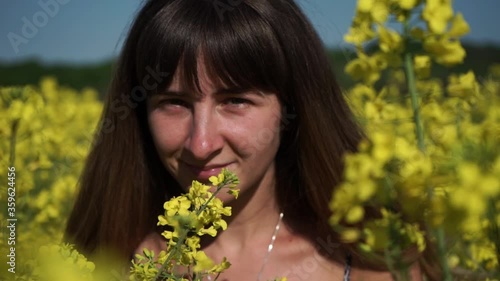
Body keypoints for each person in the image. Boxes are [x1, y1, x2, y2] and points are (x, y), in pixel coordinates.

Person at [65, 0, 439, 280]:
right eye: (174, 103)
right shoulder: (107, 264)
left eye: (235, 101)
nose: (201, 143)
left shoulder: (370, 262)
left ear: (291, 110)